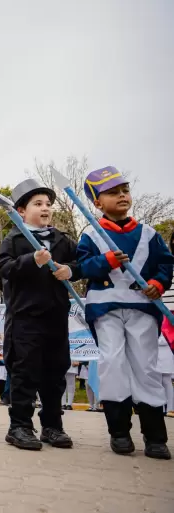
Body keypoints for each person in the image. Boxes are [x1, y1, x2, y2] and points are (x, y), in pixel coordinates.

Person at [77, 167, 173, 459]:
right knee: (113, 363)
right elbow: (82, 267)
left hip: (142, 307)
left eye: (124, 190)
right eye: (112, 192)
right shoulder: (91, 234)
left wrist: (158, 283)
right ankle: (119, 432)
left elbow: (165, 264)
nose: (121, 195)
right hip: (105, 307)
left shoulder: (149, 233)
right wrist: (105, 260)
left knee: (146, 365)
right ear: (97, 203)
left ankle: (155, 436)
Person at [0, 178, 81, 451]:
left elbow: (79, 264)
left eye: (48, 204)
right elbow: (4, 271)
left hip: (56, 316)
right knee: (25, 372)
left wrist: (70, 270)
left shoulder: (62, 239)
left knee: (55, 372)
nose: (45, 208)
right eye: (37, 203)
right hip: (25, 318)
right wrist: (31, 260)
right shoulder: (14, 239)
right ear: (21, 211)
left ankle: (52, 426)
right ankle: (19, 426)